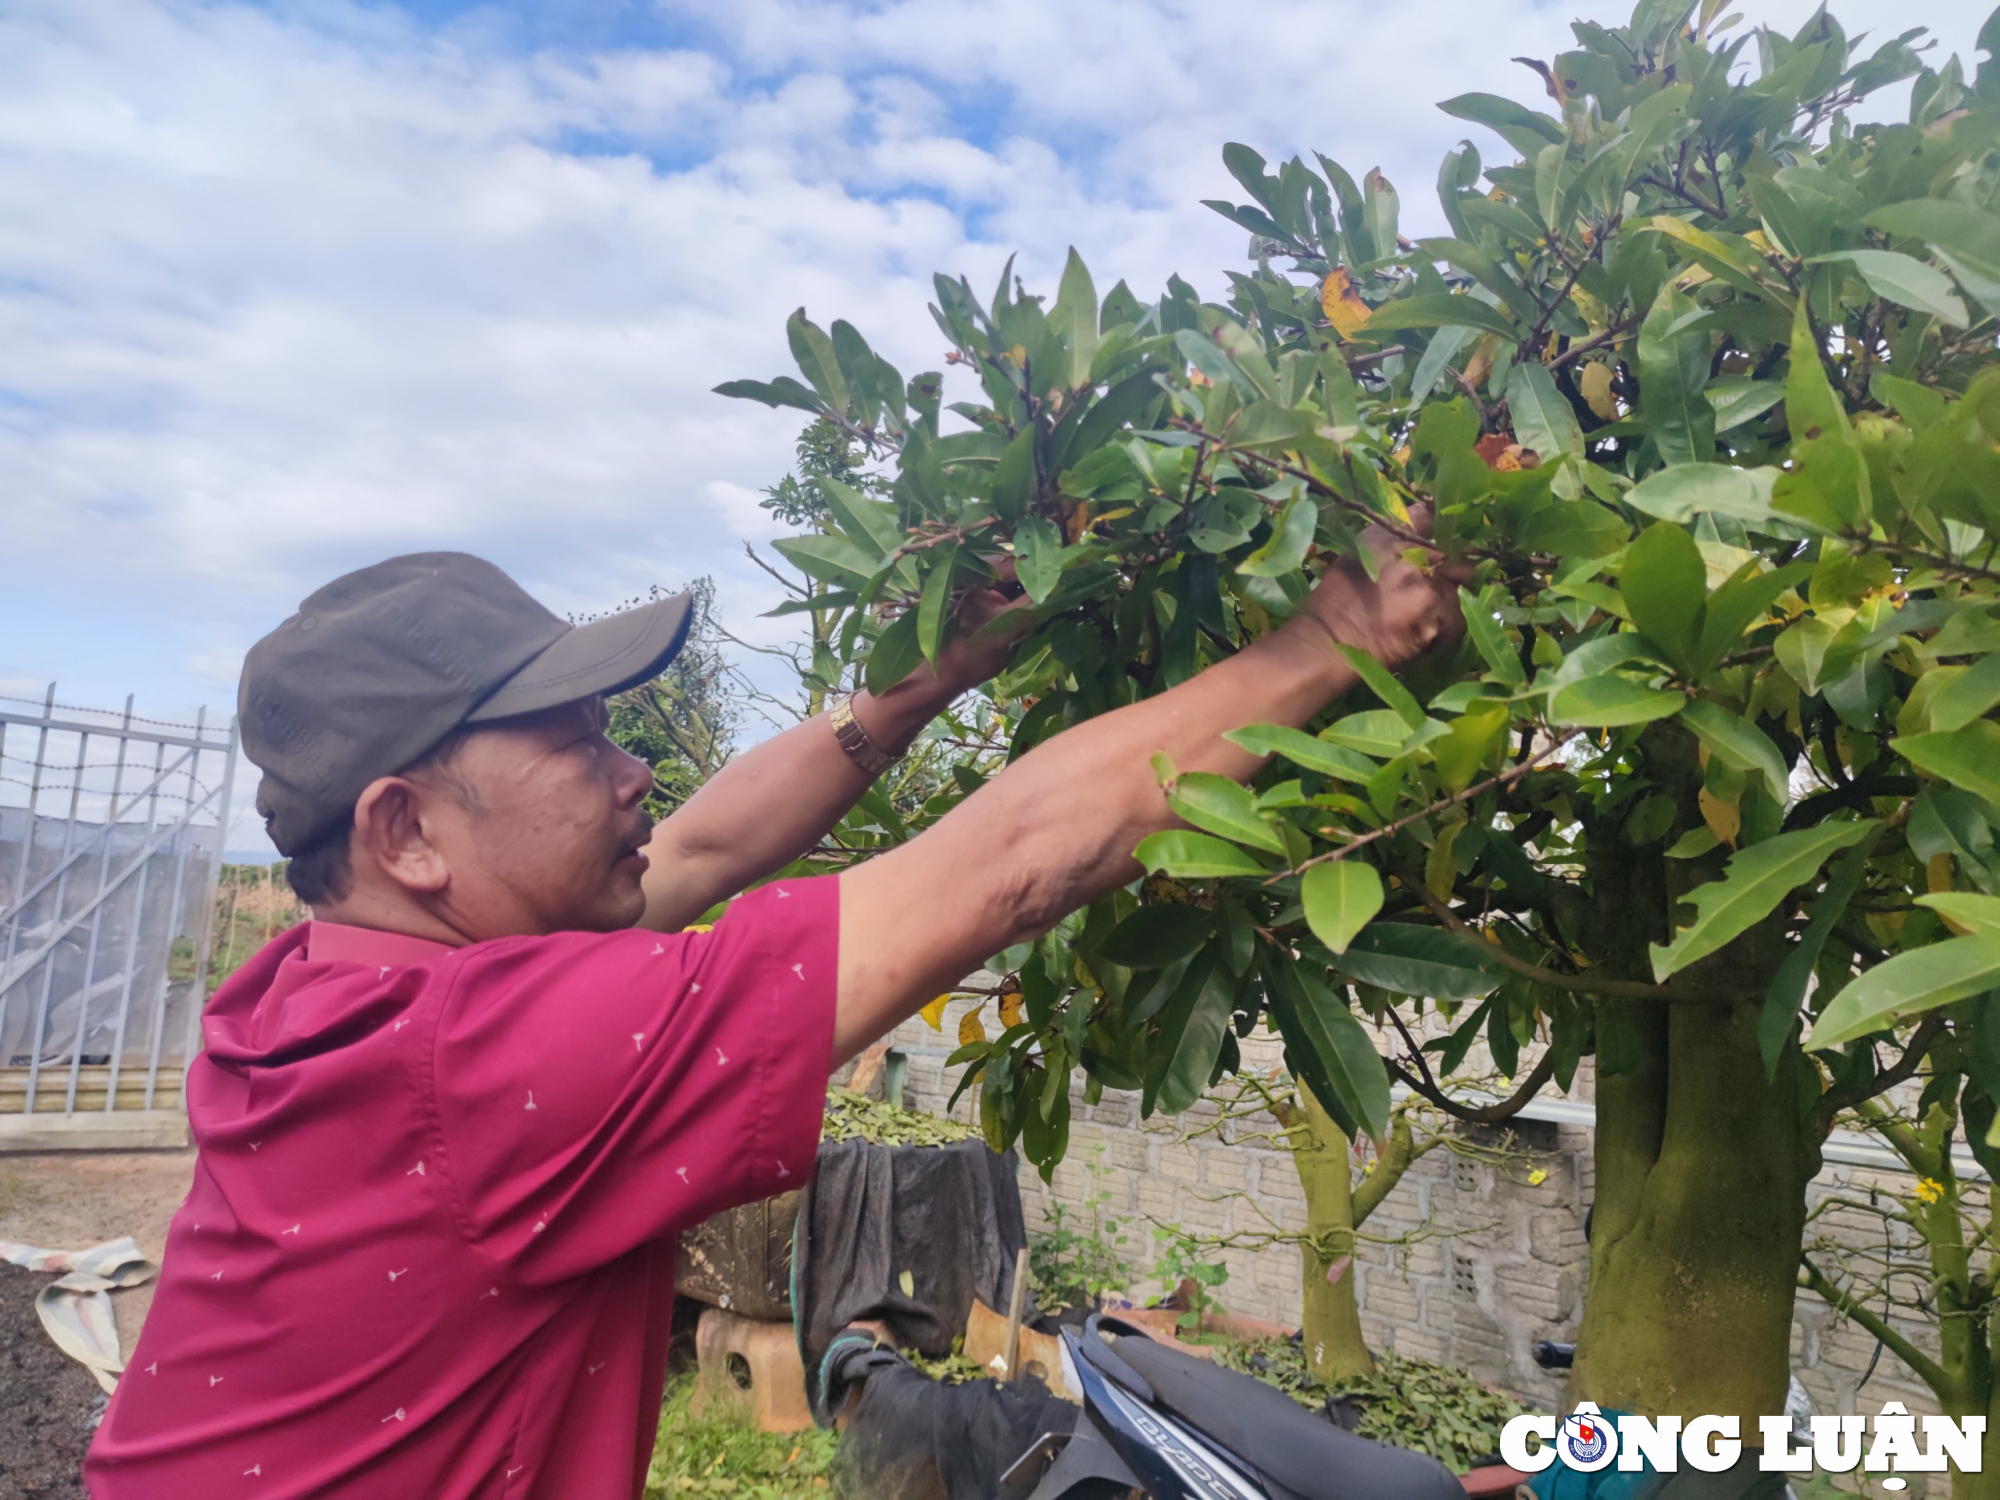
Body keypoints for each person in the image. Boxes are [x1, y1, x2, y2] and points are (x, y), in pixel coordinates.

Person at [85, 524, 1463, 1499]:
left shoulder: (321, 986)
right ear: (408, 829)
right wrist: (1331, 637)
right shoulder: (483, 1056)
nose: (629, 772)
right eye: (572, 740)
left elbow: (692, 856)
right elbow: (1008, 864)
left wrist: (920, 685)